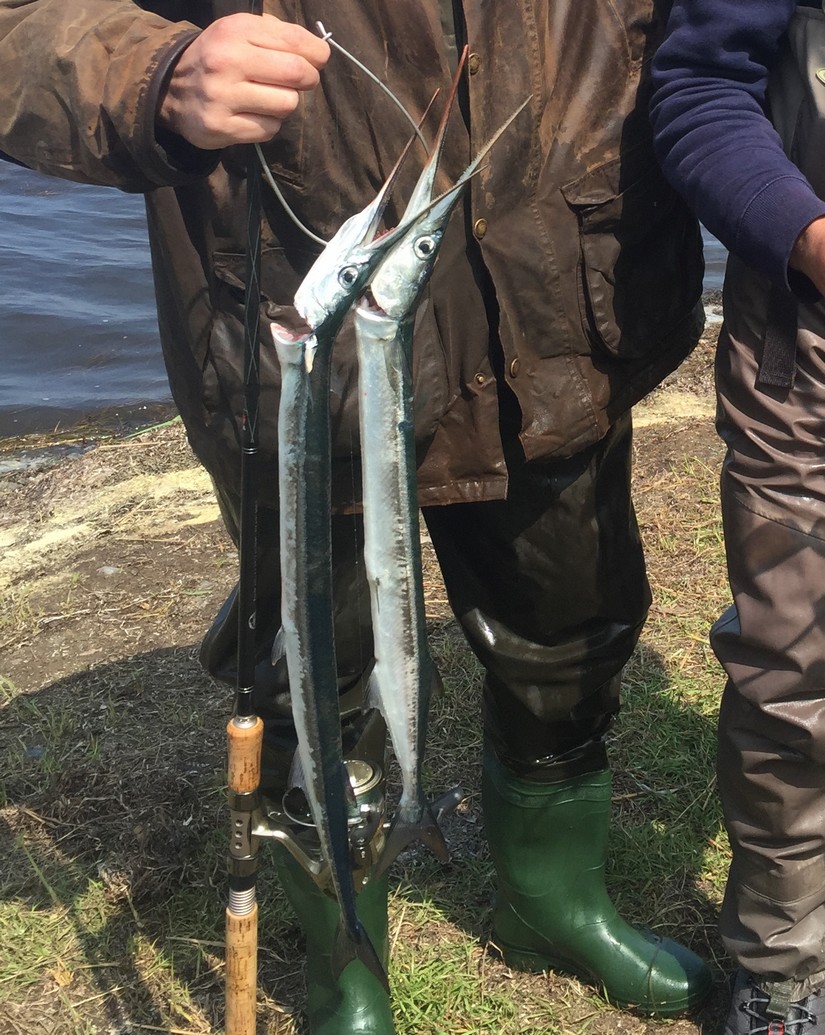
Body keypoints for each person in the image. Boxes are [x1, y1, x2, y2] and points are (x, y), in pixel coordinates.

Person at [0, 2, 713, 1031]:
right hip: (297, 349)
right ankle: (349, 960)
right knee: (315, 670)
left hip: (562, 320)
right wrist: (151, 74)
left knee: (573, 630)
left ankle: (554, 903)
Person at [650, 2, 825, 1032]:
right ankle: (785, 972)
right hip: (807, 343)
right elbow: (699, 87)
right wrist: (807, 241)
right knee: (794, 678)